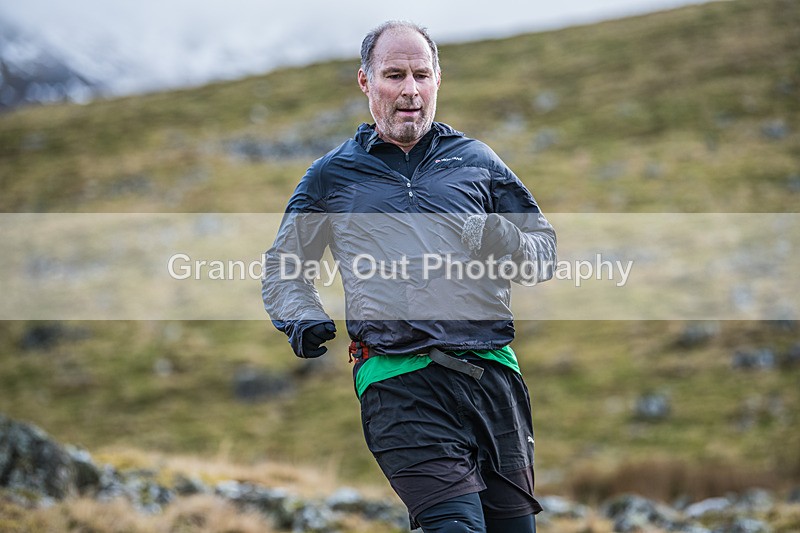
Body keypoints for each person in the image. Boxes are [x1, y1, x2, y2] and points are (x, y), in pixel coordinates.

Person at [262, 20, 557, 533]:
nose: (409, 90)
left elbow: (544, 254)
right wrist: (300, 316)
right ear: (365, 81)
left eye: (421, 75)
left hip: (491, 379)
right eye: (394, 75)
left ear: (438, 80)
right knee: (454, 527)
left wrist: (500, 238)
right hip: (398, 382)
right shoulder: (332, 176)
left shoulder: (476, 162)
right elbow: (284, 268)